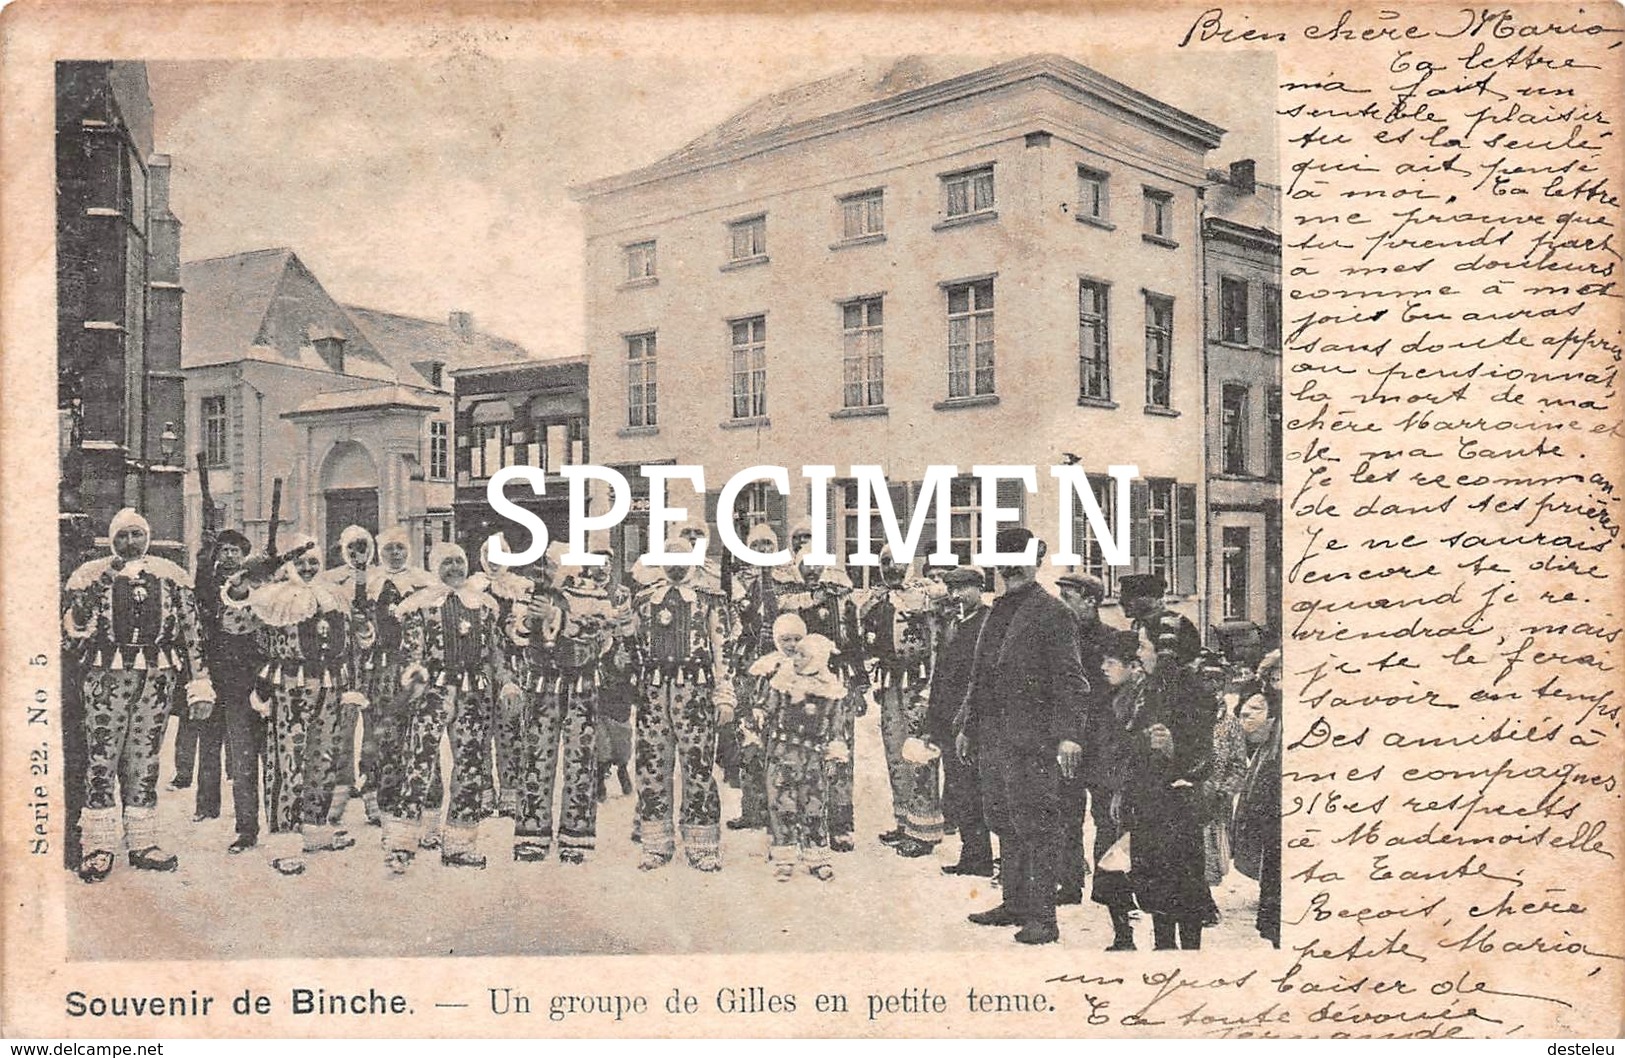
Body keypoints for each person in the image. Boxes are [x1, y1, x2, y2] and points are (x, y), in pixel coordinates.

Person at [63, 508, 216, 882]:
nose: (130, 543)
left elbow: (192, 633)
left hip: (156, 678)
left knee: (145, 758)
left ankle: (142, 842)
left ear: (147, 537)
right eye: (122, 536)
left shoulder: (170, 576)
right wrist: (101, 584)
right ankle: (98, 844)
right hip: (106, 677)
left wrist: (200, 684)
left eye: (136, 535)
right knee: (102, 758)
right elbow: (72, 630)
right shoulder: (91, 575)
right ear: (111, 540)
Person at [954, 528, 1091, 945]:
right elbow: (981, 675)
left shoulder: (1053, 612)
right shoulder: (997, 611)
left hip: (1035, 739)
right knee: (1003, 819)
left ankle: (1043, 917)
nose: (1008, 567)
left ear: (1035, 563)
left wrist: (1069, 735)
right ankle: (1013, 902)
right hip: (994, 736)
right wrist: (967, 726)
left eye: (1017, 559)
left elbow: (1072, 680)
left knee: (1037, 824)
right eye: (1002, 559)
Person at [385, 542, 521, 872]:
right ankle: (402, 846)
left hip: (473, 694)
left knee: (471, 767)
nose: (455, 570)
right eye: (447, 564)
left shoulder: (484, 606)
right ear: (435, 567)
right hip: (434, 693)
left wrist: (506, 681)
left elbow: (495, 652)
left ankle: (459, 844)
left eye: (459, 562)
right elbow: (411, 652)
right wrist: (413, 675)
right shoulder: (420, 605)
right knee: (419, 764)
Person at [223, 534, 354, 876]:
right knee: (288, 761)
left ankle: (314, 825)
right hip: (288, 687)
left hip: (328, 685)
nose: (308, 567)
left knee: (323, 756)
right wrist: (240, 589)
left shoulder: (334, 595)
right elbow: (233, 622)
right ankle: (284, 835)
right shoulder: (273, 597)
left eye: (314, 562)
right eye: (302, 562)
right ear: (289, 565)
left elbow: (350, 642)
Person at [631, 530, 735, 871]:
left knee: (698, 766)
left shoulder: (709, 600)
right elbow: (629, 647)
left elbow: (723, 650)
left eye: (683, 560)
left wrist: (724, 697)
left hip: (696, 693)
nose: (677, 567)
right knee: (651, 766)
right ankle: (656, 843)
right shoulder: (644, 600)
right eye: (671, 560)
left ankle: (702, 844)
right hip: (653, 695)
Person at [1125, 614, 1215, 950]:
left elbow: (1204, 755)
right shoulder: (1148, 691)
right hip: (1149, 804)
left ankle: (1189, 956)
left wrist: (1174, 750)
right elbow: (1131, 741)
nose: (1138, 654)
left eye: (1144, 646)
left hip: (1178, 808)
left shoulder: (1194, 693)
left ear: (1166, 653)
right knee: (1156, 889)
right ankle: (1164, 948)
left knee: (1184, 888)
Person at [777, 536, 866, 853]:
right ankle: (805, 824)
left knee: (839, 752)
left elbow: (853, 645)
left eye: (817, 564)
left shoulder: (842, 600)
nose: (812, 571)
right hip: (801, 687)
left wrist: (858, 686)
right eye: (805, 565)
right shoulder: (789, 602)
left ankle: (841, 824)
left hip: (835, 683)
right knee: (803, 754)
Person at [861, 547, 940, 858]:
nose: (892, 568)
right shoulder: (877, 599)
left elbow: (935, 640)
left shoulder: (923, 594)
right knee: (895, 753)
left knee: (919, 753)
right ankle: (904, 821)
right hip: (891, 682)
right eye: (885, 562)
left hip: (918, 682)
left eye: (899, 562)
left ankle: (925, 829)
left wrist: (930, 689)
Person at [751, 617, 845, 881]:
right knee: (783, 803)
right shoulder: (783, 681)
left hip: (813, 757)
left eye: (803, 653)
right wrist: (757, 717)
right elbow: (766, 707)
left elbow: (837, 726)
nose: (796, 657)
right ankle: (785, 858)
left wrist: (835, 751)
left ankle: (817, 857)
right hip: (783, 754)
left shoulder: (830, 689)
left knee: (814, 804)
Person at [360, 527, 436, 832]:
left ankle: (419, 798)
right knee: (383, 732)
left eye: (400, 548)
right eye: (389, 548)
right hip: (383, 669)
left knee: (417, 733)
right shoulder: (371, 583)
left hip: (415, 668)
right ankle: (382, 798)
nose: (395, 553)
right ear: (381, 553)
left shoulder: (423, 582)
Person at [195, 528, 266, 852]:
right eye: (223, 550)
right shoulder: (209, 582)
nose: (229, 556)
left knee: (242, 754)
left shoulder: (255, 585)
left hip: (244, 677)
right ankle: (207, 804)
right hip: (215, 672)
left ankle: (247, 826)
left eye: (235, 551)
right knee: (209, 743)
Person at [921, 565, 993, 877]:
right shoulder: (953, 625)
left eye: (964, 588)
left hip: (974, 721)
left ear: (980, 588)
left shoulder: (989, 623)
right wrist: (934, 721)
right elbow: (941, 675)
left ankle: (985, 856)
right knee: (961, 789)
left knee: (980, 789)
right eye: (953, 589)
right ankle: (973, 854)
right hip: (949, 720)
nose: (957, 595)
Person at [1086, 628, 1147, 951]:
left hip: (1130, 797)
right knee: (1109, 864)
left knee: (1125, 865)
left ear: (1133, 666)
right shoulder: (1108, 697)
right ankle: (1122, 934)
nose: (1104, 668)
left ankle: (1128, 932)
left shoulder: (1141, 702)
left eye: (1111, 662)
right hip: (1107, 794)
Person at [1055, 570, 1112, 905]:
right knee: (1066, 812)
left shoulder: (1111, 640)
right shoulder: (1058, 638)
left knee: (1105, 816)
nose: (1062, 604)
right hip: (1067, 741)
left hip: (1101, 742)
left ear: (1091, 601)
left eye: (1069, 598)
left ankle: (1107, 887)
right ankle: (1070, 883)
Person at [725, 523, 783, 832]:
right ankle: (751, 809)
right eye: (756, 544)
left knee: (777, 736)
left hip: (777, 667)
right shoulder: (737, 581)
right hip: (747, 664)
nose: (762, 550)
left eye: (767, 545)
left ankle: (778, 809)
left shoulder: (786, 579)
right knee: (748, 733)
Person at [317, 525, 376, 831]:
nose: (357, 553)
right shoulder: (331, 581)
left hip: (377, 665)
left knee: (374, 733)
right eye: (351, 547)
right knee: (343, 729)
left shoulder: (380, 579)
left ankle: (373, 794)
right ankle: (339, 791)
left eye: (363, 546)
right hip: (345, 664)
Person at [1233, 649, 1282, 948]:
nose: (1278, 682)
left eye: (1281, 676)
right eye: (1273, 677)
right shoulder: (1272, 712)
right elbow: (1249, 726)